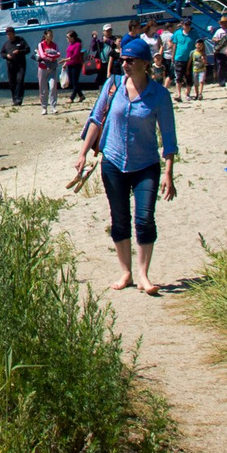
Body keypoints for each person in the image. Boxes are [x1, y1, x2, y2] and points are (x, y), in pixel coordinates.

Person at [73, 37, 178, 293]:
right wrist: (83, 153)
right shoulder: (113, 85)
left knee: (144, 219)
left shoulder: (159, 95)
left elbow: (169, 136)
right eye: (122, 60)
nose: (125, 65)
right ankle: (126, 273)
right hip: (113, 162)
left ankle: (143, 275)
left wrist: (168, 173)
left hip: (146, 165)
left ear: (145, 63)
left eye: (130, 61)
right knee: (119, 219)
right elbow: (96, 119)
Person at [3, 29, 30, 109]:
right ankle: (14, 99)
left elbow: (27, 49)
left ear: (14, 34)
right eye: (8, 35)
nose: (10, 36)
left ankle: (19, 99)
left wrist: (19, 51)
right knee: (12, 83)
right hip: (11, 65)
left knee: (20, 80)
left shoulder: (21, 40)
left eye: (11, 34)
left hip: (20, 65)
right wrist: (6, 56)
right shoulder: (6, 44)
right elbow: (2, 53)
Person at [38, 31, 63, 114]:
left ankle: (53, 106)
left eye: (52, 35)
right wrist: (52, 57)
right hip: (42, 68)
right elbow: (42, 55)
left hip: (52, 68)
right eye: (50, 35)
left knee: (52, 87)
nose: (51, 36)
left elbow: (58, 54)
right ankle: (44, 107)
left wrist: (49, 55)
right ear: (45, 35)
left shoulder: (54, 45)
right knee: (43, 88)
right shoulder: (41, 44)